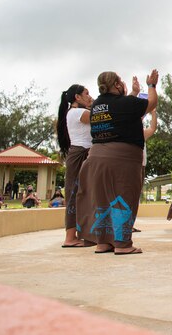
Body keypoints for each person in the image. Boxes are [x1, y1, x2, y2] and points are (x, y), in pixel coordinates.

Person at [77, 69, 158, 255]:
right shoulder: (125, 103)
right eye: (121, 81)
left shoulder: (97, 105)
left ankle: (103, 243)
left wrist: (134, 93)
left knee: (102, 199)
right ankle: (122, 244)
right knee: (123, 197)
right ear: (116, 85)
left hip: (96, 156)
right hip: (122, 157)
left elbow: (120, 109)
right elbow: (151, 102)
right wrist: (151, 85)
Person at [56, 83, 94, 247]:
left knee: (81, 193)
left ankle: (79, 234)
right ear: (77, 97)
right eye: (86, 93)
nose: (89, 96)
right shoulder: (79, 112)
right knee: (73, 193)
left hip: (82, 153)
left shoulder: (75, 112)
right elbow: (100, 118)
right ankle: (70, 237)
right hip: (80, 154)